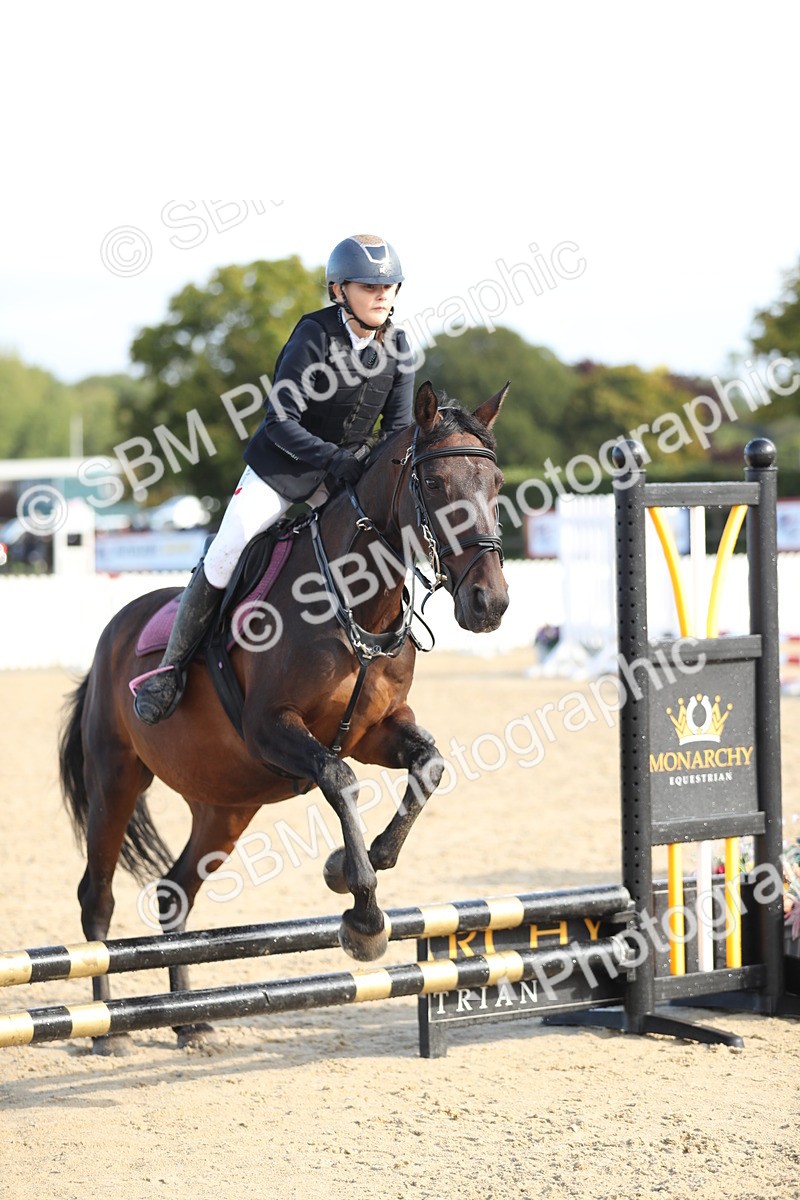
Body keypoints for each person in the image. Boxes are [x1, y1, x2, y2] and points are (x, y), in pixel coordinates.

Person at [132, 233, 415, 725]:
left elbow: (396, 431)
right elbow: (281, 421)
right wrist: (336, 460)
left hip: (345, 474)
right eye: (369, 285)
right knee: (226, 550)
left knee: (384, 542)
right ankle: (171, 668)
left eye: (389, 285)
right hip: (283, 466)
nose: (382, 294)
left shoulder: (400, 347)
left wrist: (371, 471)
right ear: (338, 290)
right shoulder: (314, 335)